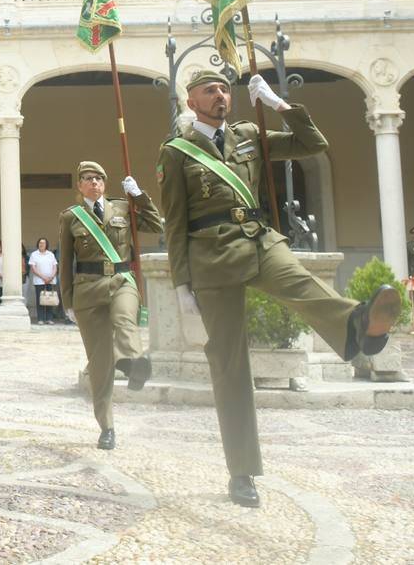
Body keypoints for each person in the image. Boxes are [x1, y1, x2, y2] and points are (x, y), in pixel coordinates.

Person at [158, 70, 399, 508]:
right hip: (209, 259)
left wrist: (279, 104)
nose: (220, 96)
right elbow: (174, 224)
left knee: (301, 282)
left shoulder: (250, 133)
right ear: (191, 102)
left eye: (224, 90)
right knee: (229, 366)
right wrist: (181, 287)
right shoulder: (176, 153)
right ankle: (242, 471)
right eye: (209, 91)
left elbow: (313, 145)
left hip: (256, 239)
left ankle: (357, 323)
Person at [57, 160, 163, 450]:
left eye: (99, 179)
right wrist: (67, 301)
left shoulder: (123, 208)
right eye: (88, 179)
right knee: (100, 363)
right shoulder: (71, 217)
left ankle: (132, 361)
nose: (94, 183)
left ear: (105, 184)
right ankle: (107, 426)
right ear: (80, 186)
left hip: (121, 280)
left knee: (124, 320)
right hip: (87, 290)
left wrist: (139, 195)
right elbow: (66, 262)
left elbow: (155, 225)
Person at [28, 238, 58, 324]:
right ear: (38, 244)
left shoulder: (51, 254)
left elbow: (55, 266)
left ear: (46, 245)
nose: (41, 244)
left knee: (50, 299)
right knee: (40, 299)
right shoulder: (34, 254)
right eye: (40, 243)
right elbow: (33, 268)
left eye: (43, 243)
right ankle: (40, 318)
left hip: (51, 280)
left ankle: (49, 318)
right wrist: (43, 277)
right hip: (39, 281)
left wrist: (51, 276)